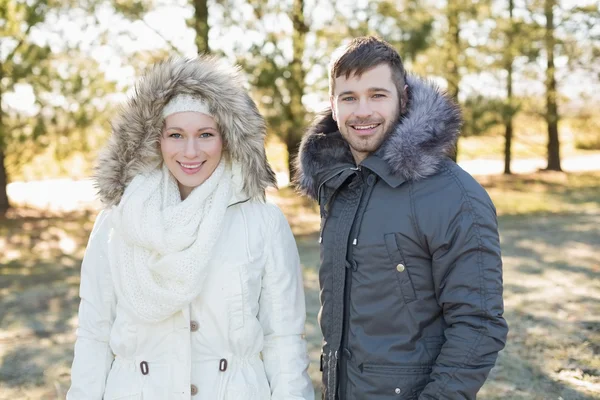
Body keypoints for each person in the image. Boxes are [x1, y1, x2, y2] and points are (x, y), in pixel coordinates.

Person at [67, 56, 314, 400]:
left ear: (226, 139)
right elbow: (93, 335)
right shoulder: (116, 222)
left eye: (206, 134)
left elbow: (284, 339)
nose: (191, 151)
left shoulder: (263, 223)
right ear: (157, 140)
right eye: (176, 135)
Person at [295, 36, 508, 399]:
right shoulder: (338, 186)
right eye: (349, 97)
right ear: (333, 106)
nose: (362, 111)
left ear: (403, 98)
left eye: (377, 95)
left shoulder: (453, 194)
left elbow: (479, 325)